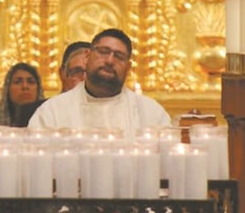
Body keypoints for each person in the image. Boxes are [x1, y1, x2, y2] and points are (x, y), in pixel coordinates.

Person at [27, 28, 170, 137]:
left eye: (119, 56)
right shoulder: (53, 112)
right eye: (103, 51)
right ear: (87, 56)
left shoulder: (151, 114)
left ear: (128, 67)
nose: (109, 60)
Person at [0, 63, 45, 127]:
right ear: (8, 89)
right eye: (17, 82)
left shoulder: (48, 121)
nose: (25, 86)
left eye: (31, 82)